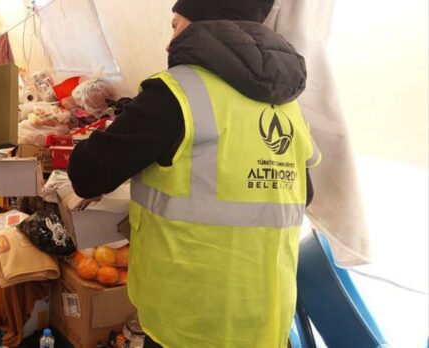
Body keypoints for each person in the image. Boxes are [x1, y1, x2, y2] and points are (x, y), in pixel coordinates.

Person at [68, 1, 320, 347]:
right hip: (267, 319)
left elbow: (87, 173)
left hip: (191, 321)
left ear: (202, 24)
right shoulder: (289, 105)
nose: (169, 42)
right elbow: (302, 195)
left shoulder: (176, 92)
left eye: (175, 25)